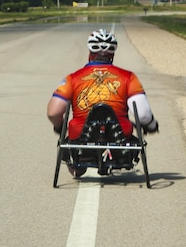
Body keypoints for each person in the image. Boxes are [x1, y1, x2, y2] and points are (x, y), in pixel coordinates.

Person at [47, 28, 158, 177]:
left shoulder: (72, 78)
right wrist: (151, 126)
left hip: (81, 136)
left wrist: (59, 126)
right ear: (112, 53)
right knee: (131, 137)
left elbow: (53, 112)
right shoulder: (128, 77)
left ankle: (78, 165)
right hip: (119, 135)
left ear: (90, 52)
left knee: (69, 140)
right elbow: (143, 114)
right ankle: (119, 158)